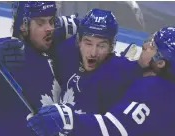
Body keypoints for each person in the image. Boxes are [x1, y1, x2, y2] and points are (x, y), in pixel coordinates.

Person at [27, 26, 175, 136]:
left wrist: (68, 119)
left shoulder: (153, 90)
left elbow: (113, 129)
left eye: (153, 47)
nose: (146, 45)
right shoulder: (173, 86)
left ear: (160, 63)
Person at [26, 8, 148, 136]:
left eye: (101, 46)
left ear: (112, 47)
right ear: (78, 41)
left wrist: (142, 65)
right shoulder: (66, 52)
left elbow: (150, 74)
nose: (93, 53)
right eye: (88, 43)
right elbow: (33, 39)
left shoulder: (119, 70)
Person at [0, 1, 78, 136]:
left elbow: (82, 27)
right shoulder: (6, 52)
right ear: (23, 25)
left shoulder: (55, 48)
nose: (49, 28)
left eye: (51, 21)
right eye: (41, 23)